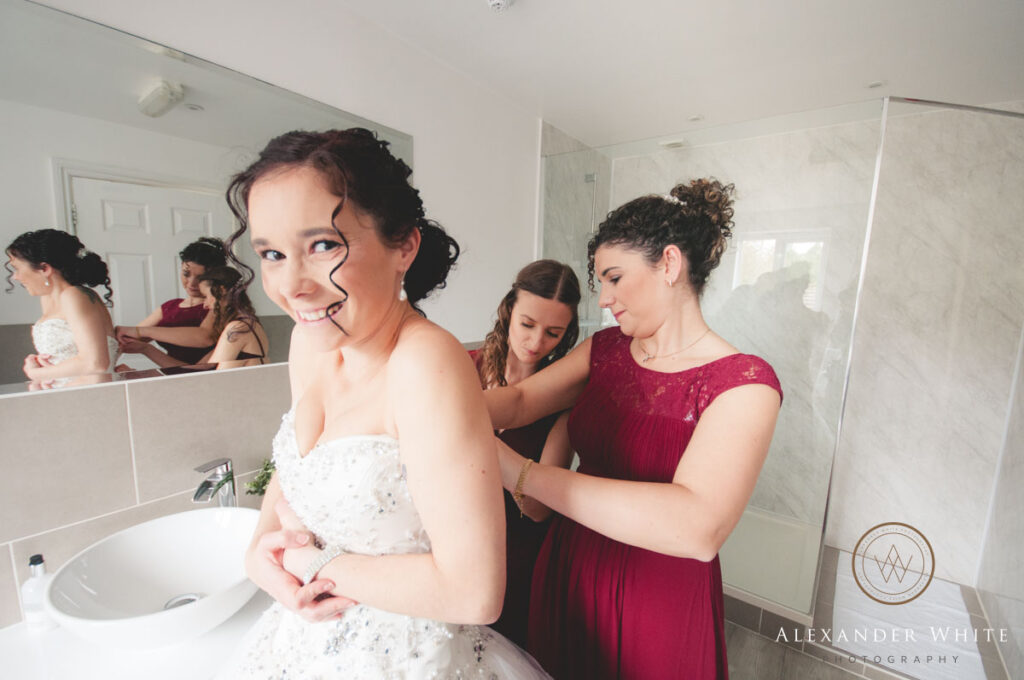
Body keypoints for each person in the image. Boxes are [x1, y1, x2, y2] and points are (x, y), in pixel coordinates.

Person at [215, 128, 550, 679]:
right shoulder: (309, 341)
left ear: (404, 246)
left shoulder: (424, 362)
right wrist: (259, 553)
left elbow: (474, 592)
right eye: (272, 254)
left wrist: (311, 563)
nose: (290, 285)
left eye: (322, 245)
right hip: (303, 642)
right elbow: (300, 463)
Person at [484, 179, 783, 679]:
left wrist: (520, 473)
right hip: (570, 567)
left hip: (659, 590)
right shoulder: (605, 353)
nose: (603, 299)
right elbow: (516, 403)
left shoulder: (745, 382)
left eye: (615, 278)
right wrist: (430, 400)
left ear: (669, 264)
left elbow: (698, 526)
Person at [470, 259, 580, 648]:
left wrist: (474, 437)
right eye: (527, 325)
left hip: (516, 556)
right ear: (508, 311)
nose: (536, 343)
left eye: (553, 333)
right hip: (460, 538)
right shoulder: (466, 368)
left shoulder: (561, 403)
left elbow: (537, 508)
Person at [5, 229, 120, 382]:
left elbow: (95, 363)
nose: (15, 277)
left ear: (45, 268)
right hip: (64, 393)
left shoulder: (74, 295)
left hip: (90, 396)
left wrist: (35, 374)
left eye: (17, 268)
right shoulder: (48, 299)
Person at [117, 266, 268, 370]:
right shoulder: (246, 325)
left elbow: (206, 376)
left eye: (207, 297)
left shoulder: (238, 329)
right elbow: (194, 371)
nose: (206, 305)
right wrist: (146, 349)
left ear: (221, 291)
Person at [117, 237, 227, 364]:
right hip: (175, 377)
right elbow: (126, 338)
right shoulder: (169, 308)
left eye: (201, 277)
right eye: (186, 274)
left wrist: (142, 333)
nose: (192, 283)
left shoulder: (220, 304)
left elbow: (204, 338)